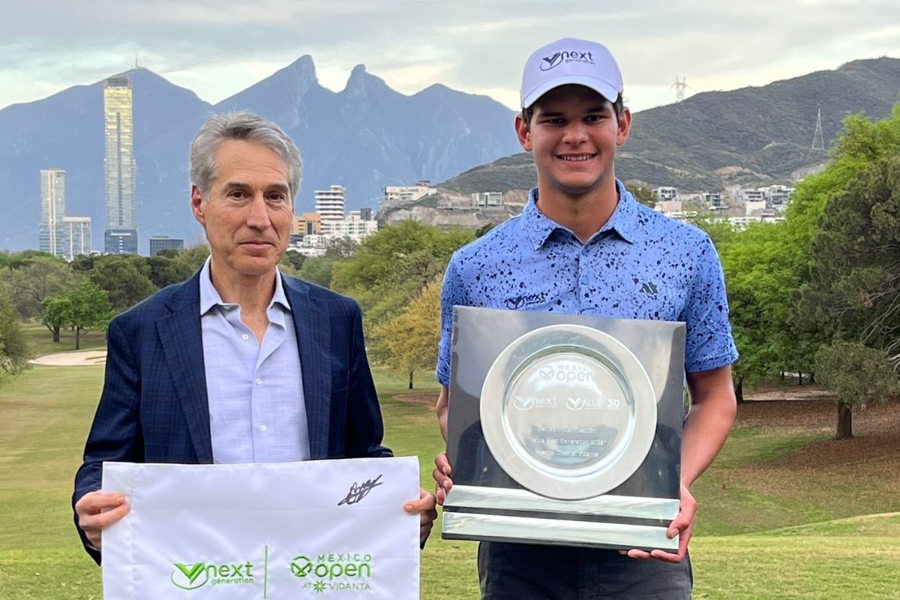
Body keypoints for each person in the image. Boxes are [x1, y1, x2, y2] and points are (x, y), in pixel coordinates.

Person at [432, 38, 738, 599]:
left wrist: (677, 482)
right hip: (517, 551)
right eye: (554, 119)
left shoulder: (686, 253)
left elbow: (716, 398)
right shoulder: (475, 266)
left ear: (621, 124)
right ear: (525, 131)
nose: (575, 135)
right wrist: (462, 460)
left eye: (593, 116)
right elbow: (457, 404)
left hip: (643, 547)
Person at [73, 112, 437, 564]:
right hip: (191, 582)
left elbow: (363, 453)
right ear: (199, 202)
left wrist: (400, 508)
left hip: (311, 580)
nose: (260, 218)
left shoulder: (337, 320)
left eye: (276, 196)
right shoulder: (141, 330)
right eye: (239, 194)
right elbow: (105, 464)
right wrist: (91, 516)